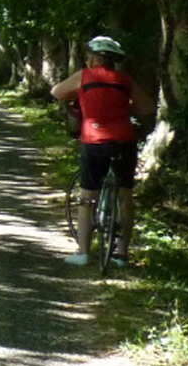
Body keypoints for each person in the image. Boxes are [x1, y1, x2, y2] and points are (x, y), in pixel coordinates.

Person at [50, 35, 157, 266]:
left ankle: (83, 253)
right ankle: (121, 255)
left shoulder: (84, 76)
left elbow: (56, 92)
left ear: (95, 58)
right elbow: (148, 108)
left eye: (90, 56)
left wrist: (80, 97)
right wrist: (125, 105)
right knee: (126, 197)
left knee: (88, 197)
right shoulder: (125, 81)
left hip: (94, 140)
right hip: (124, 141)